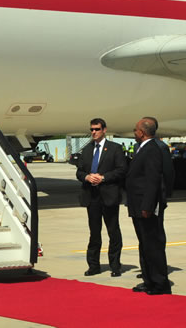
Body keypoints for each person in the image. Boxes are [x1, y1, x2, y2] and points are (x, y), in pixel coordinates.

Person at [76, 118, 127, 277]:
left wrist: (103, 178)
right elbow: (79, 171)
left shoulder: (115, 149)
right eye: (91, 129)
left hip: (109, 195)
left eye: (97, 129)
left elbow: (122, 170)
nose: (93, 132)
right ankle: (93, 265)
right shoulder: (86, 150)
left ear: (104, 130)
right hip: (92, 197)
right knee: (94, 233)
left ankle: (115, 265)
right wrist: (87, 177)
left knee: (113, 231)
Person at [126, 117, 171, 295]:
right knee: (144, 244)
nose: (134, 132)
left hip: (146, 206)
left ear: (142, 132)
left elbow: (153, 180)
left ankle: (160, 283)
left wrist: (148, 206)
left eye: (136, 130)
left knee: (153, 245)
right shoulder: (141, 148)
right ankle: (148, 280)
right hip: (137, 205)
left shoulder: (152, 149)